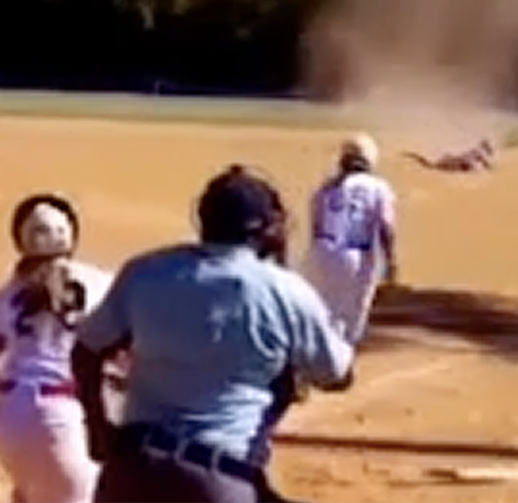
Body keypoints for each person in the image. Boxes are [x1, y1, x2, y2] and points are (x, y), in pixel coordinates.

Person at [71, 165, 356, 503]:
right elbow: (337, 375)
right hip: (218, 476)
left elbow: (86, 350)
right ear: (266, 228)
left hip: (133, 468)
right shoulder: (285, 290)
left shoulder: (146, 271)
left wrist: (98, 427)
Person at [0, 193, 115, 503]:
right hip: (64, 416)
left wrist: (17, 395)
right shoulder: (100, 283)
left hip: (10, 418)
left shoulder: (4, 296)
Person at [300, 133, 399, 346]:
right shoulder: (378, 187)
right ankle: (341, 360)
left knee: (326, 308)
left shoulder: (326, 187)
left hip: (322, 251)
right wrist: (392, 261)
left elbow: (315, 224)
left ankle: (318, 355)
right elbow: (385, 226)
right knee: (354, 312)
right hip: (357, 254)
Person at [403, 138, 496, 173]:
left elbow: (485, 165)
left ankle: (413, 156)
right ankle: (412, 155)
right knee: (431, 167)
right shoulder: (478, 152)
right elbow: (487, 166)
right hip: (455, 163)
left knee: (430, 166)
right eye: (489, 148)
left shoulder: (475, 151)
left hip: (454, 161)